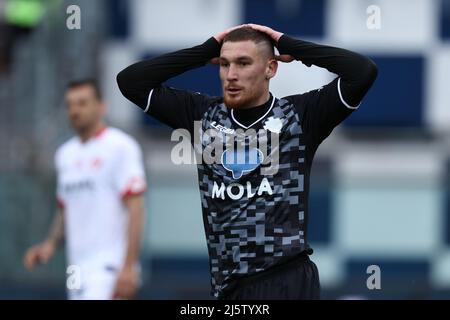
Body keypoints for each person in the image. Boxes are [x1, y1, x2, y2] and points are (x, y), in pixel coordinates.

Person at [116, 24, 378, 300]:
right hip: (228, 286)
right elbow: (130, 81)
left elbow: (362, 72)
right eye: (224, 63)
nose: (231, 75)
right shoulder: (200, 115)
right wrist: (203, 51)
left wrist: (289, 44)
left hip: (286, 281)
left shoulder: (300, 116)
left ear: (271, 69)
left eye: (243, 63)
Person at [23, 79, 147, 300]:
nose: (74, 110)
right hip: (76, 269)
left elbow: (136, 209)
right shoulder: (65, 154)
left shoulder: (120, 147)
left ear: (101, 106)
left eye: (82, 103)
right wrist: (49, 245)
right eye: (70, 104)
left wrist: (129, 267)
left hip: (110, 267)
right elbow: (65, 207)